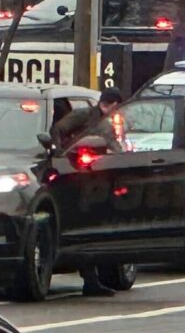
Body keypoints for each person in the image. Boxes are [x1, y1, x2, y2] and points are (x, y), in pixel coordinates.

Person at [49, 87, 124, 297]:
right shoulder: (84, 115)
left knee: (95, 227)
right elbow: (58, 130)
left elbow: (113, 145)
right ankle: (89, 279)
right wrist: (61, 154)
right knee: (83, 224)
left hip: (98, 176)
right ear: (111, 104)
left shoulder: (110, 123)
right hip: (77, 175)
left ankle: (94, 280)